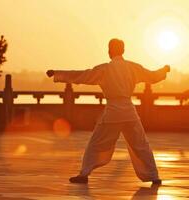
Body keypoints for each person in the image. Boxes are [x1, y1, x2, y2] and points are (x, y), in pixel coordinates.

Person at [46, 38, 170, 185]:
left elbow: (82, 75)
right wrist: (163, 71)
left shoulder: (104, 69)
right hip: (129, 113)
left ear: (110, 51)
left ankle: (84, 174)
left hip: (112, 113)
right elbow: (151, 76)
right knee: (141, 145)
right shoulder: (132, 68)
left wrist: (57, 74)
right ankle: (154, 177)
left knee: (95, 144)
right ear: (123, 51)